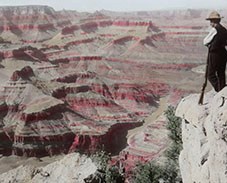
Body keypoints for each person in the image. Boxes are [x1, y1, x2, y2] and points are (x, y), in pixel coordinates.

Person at [203, 11, 227, 92]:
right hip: (223, 53)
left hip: (214, 54)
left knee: (210, 74)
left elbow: (205, 41)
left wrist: (211, 44)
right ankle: (223, 88)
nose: (210, 23)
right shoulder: (224, 30)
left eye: (211, 21)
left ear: (214, 21)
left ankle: (219, 90)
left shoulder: (214, 30)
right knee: (221, 73)